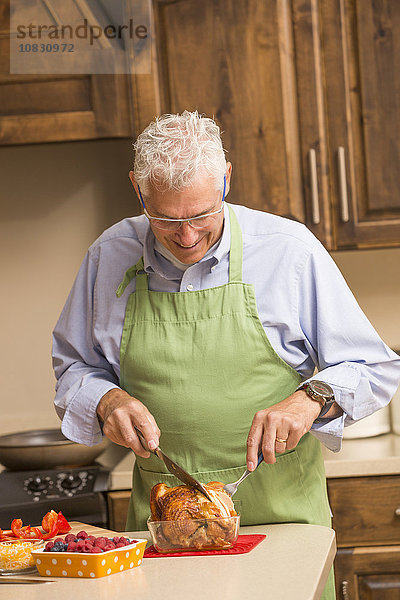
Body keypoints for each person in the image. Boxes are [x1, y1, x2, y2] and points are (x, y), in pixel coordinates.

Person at [53, 111, 400, 600]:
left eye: (201, 214)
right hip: (163, 535)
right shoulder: (107, 255)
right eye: (168, 220)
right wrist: (106, 400)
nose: (188, 236)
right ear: (138, 189)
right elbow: (73, 370)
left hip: (284, 526)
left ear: (226, 180)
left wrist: (312, 397)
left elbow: (374, 365)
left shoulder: (288, 250)